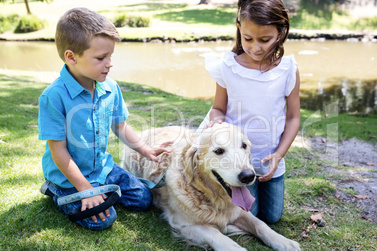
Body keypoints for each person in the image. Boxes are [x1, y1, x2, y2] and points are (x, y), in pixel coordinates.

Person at [38, 7, 171, 230]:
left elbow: (120, 126)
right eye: (101, 58)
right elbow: (58, 151)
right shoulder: (53, 97)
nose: (109, 63)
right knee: (104, 221)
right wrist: (85, 189)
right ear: (71, 57)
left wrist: (146, 150)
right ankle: (57, 191)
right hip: (69, 177)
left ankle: (102, 190)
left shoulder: (110, 87)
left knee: (143, 199)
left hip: (102, 169)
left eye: (110, 56)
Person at [200, 0, 300, 223]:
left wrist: (279, 155)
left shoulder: (288, 69)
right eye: (248, 39)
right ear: (239, 28)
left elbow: (293, 118)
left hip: (270, 160)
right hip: (238, 162)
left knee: (272, 217)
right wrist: (216, 122)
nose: (256, 47)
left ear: (281, 32)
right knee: (249, 215)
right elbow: (218, 108)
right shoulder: (228, 66)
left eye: (265, 40)